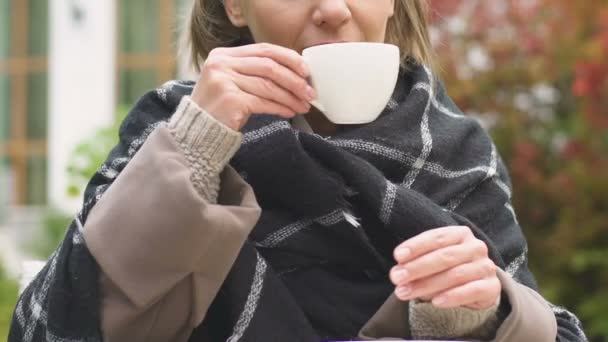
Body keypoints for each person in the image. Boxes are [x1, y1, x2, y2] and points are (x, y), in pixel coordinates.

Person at [10, 0, 588, 341]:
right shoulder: (168, 126)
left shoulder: (460, 153)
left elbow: (552, 329)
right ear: (236, 5)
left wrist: (474, 314)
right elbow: (51, 325)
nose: (334, 10)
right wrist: (196, 145)